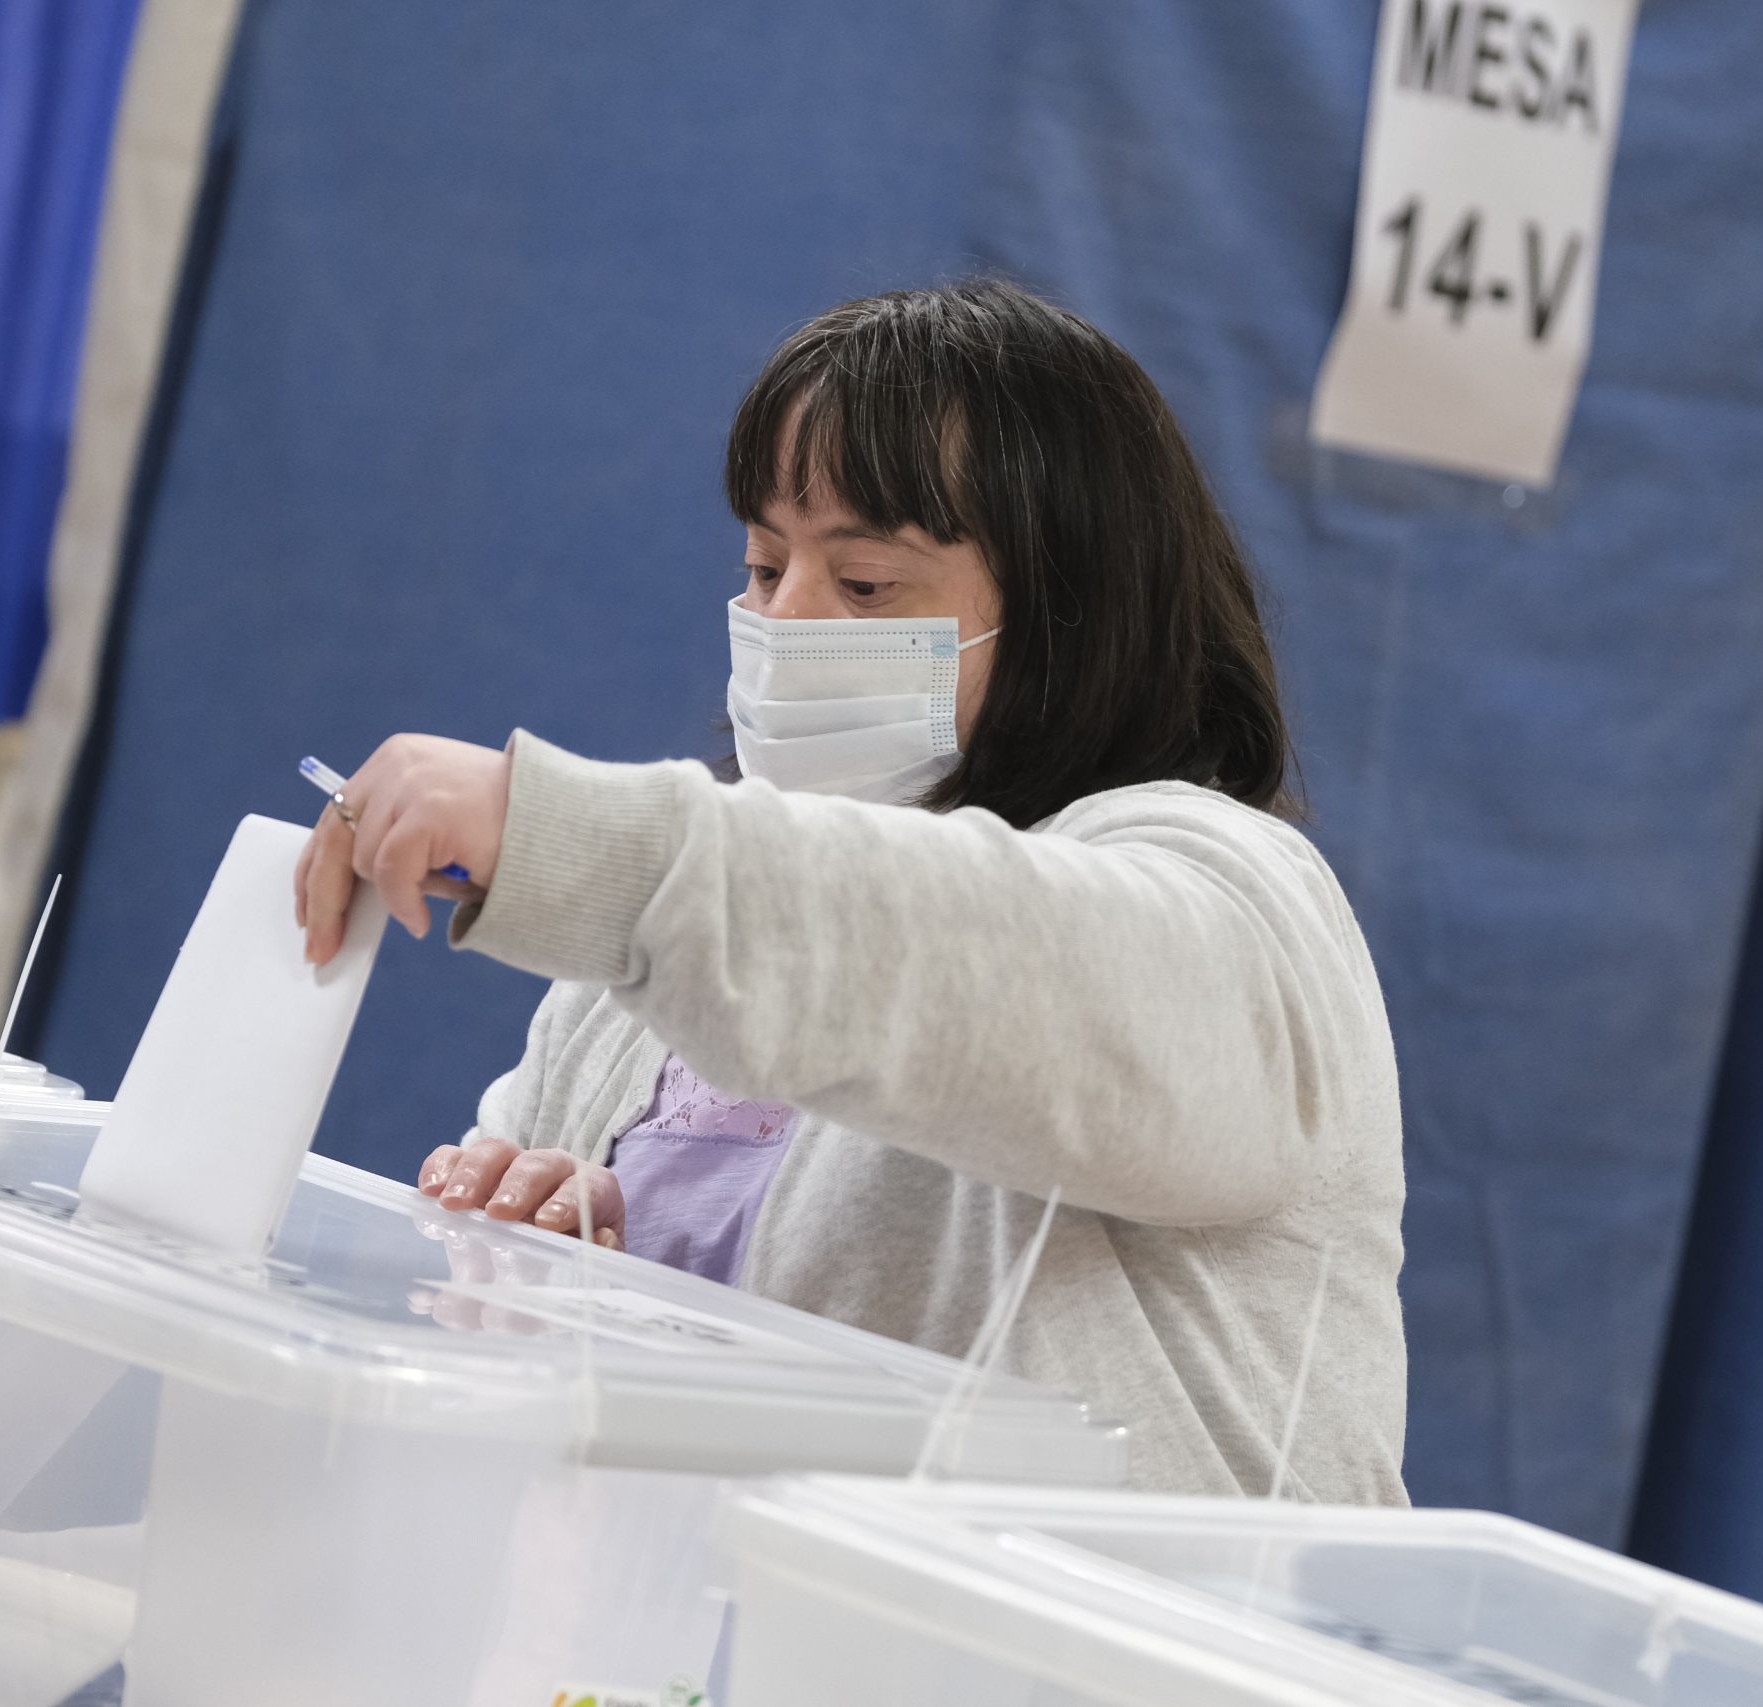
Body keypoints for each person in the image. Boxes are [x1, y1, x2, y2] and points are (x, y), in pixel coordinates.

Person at [293, 280, 1406, 1503]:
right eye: (764, 566)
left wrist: (578, 840)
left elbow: (980, 967)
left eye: (866, 584)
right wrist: (537, 1274)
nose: (786, 621)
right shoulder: (628, 992)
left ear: (1076, 617)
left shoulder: (1236, 895)